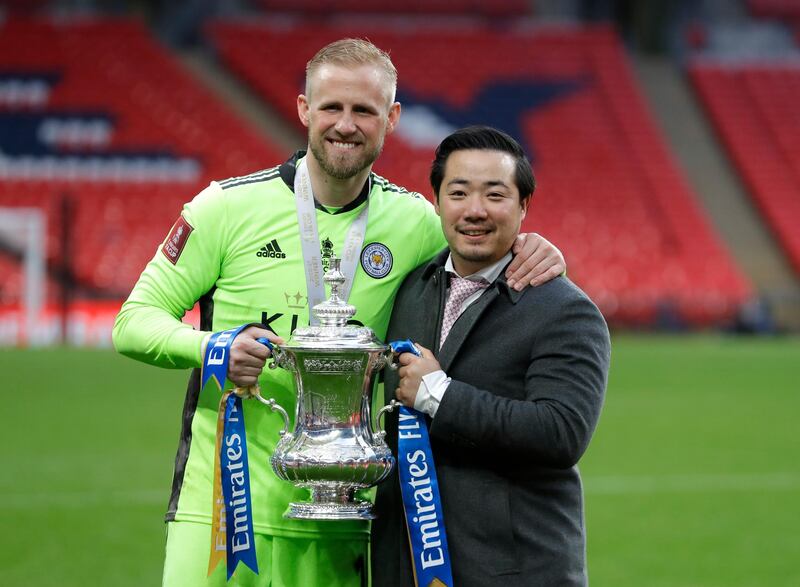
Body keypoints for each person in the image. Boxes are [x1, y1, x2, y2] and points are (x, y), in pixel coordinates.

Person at [113, 40, 566, 587]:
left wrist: (534, 247)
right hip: (222, 512)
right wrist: (214, 348)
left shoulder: (417, 223)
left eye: (364, 110)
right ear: (304, 109)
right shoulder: (224, 209)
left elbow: (479, 246)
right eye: (331, 107)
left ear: (391, 118)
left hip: (346, 516)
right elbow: (133, 322)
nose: (345, 125)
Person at [371, 126, 611, 587]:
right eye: (458, 193)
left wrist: (438, 395)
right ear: (436, 201)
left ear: (523, 206)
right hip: (405, 565)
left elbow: (561, 432)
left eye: (495, 195)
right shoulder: (409, 290)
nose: (475, 210)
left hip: (512, 571)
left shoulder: (566, 311)